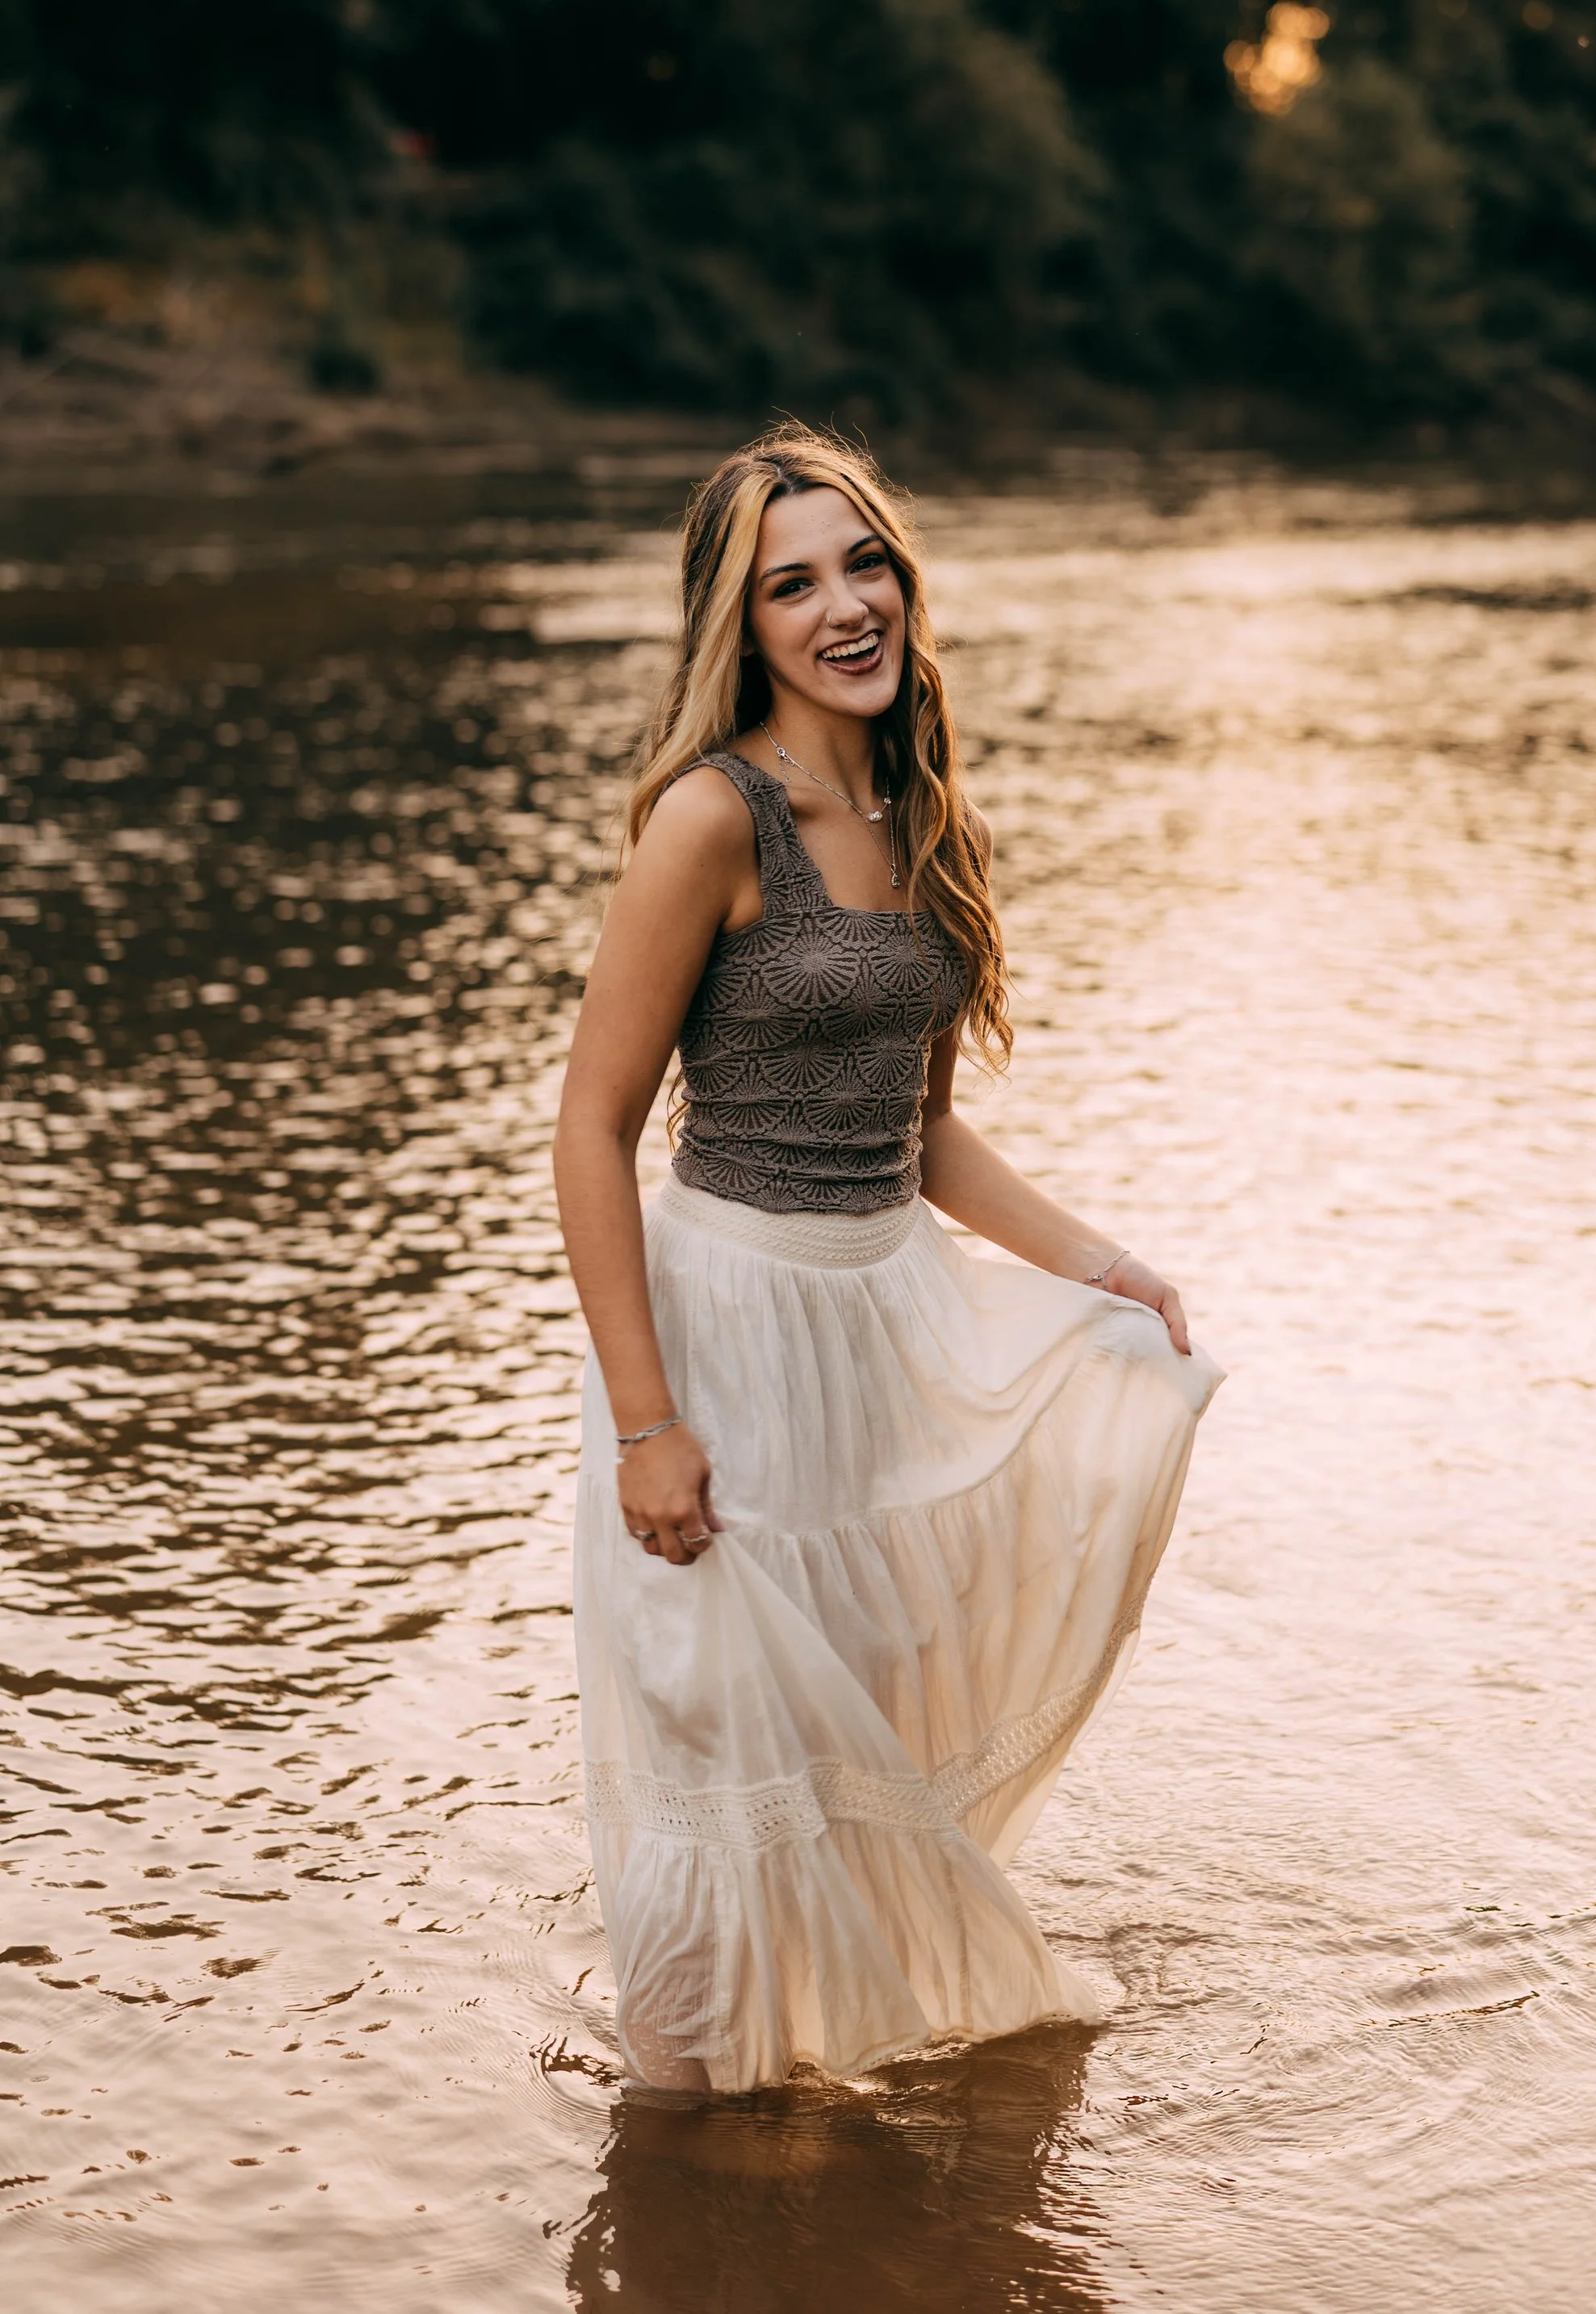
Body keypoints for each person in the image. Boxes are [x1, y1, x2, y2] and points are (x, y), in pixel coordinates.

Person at [553, 430, 1221, 2091]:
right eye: (792, 584)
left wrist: (1103, 1265)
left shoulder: (925, 814)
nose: (842, 606)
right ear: (742, 626)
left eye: (864, 565)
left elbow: (920, 1135)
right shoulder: (711, 821)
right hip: (727, 1332)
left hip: (879, 1332)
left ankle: (811, 2116)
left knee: (866, 1711)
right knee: (722, 1751)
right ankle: (681, 2121)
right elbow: (591, 1127)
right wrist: (647, 1424)